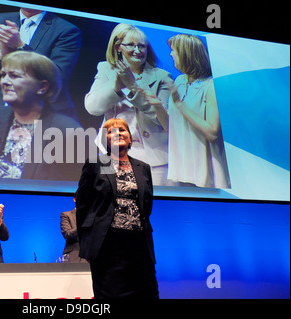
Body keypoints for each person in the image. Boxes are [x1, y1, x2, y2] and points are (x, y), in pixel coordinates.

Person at [76, 118, 159, 299]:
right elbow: (83, 207)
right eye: (111, 131)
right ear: (105, 141)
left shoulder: (142, 168)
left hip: (139, 244)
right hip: (107, 244)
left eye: (122, 130)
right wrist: (87, 244)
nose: (118, 133)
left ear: (130, 139)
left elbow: (147, 205)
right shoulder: (97, 164)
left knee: (147, 293)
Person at [85, 23, 174, 186]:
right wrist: (116, 88)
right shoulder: (105, 69)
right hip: (112, 155)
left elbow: (163, 119)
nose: (138, 50)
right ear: (118, 47)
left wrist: (133, 87)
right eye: (131, 45)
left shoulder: (162, 76)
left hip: (156, 159)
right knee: (112, 207)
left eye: (142, 46)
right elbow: (93, 108)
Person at [0, 51, 83, 181]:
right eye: (3, 75)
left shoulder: (67, 130)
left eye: (14, 76)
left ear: (42, 87)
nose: (5, 82)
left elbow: (79, 184)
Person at [0, 7, 81, 118]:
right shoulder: (1, 19)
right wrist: (2, 54)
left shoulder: (66, 30)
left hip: (40, 115)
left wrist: (19, 45)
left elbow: (58, 76)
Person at [167, 34, 231, 188]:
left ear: (185, 53)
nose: (170, 54)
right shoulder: (179, 81)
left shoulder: (211, 86)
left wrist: (180, 104)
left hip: (205, 174)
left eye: (173, 50)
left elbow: (212, 133)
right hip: (180, 171)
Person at [60, 192, 86, 263]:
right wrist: (84, 227)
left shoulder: (92, 217)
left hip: (92, 253)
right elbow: (67, 234)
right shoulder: (66, 215)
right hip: (74, 252)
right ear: (75, 199)